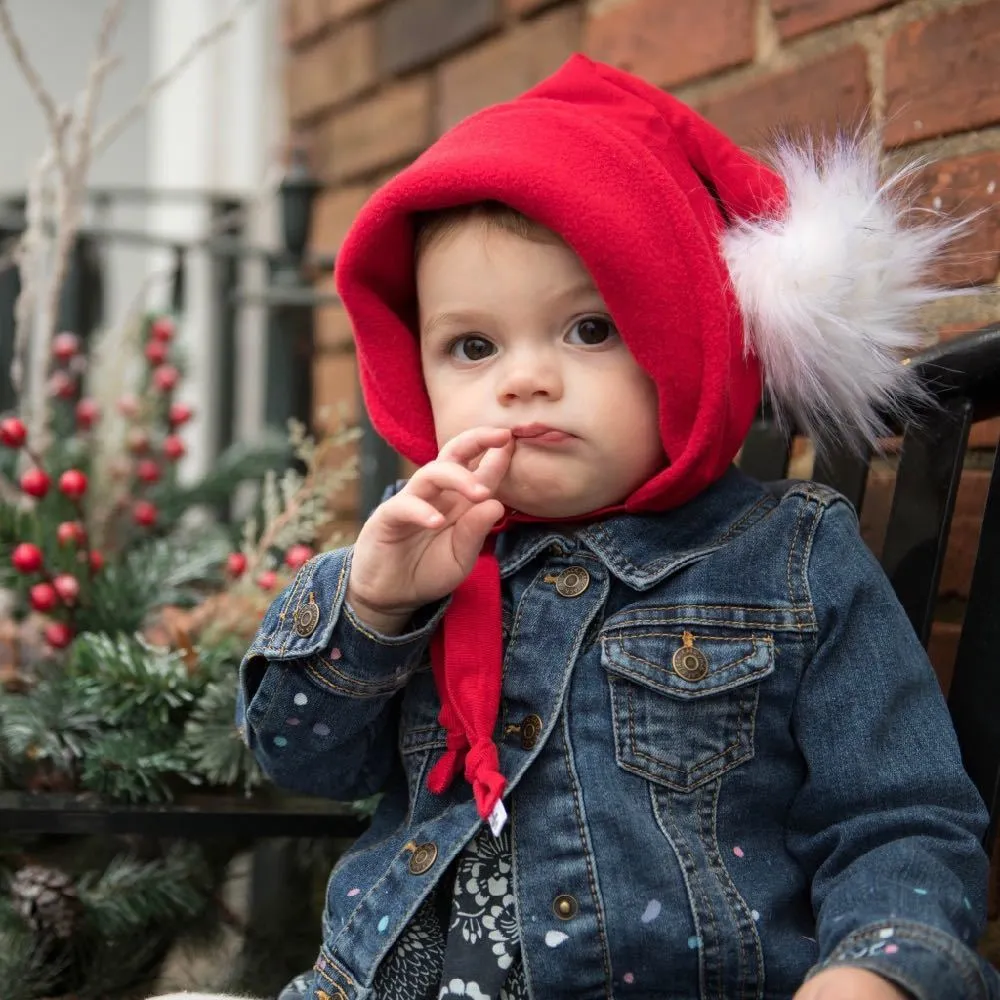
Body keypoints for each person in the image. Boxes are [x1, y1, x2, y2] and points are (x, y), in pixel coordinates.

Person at [154, 55, 998, 1000]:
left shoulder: (792, 560)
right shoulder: (430, 554)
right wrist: (376, 610)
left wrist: (876, 972)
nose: (522, 379)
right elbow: (300, 759)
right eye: (473, 346)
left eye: (589, 329)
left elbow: (901, 819)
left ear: (687, 341)